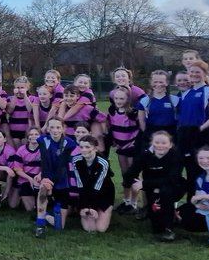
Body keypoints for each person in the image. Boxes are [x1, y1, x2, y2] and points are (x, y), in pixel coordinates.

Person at [123, 130, 185, 241]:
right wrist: (133, 183)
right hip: (152, 189)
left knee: (165, 192)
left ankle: (169, 229)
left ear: (170, 145)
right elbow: (129, 174)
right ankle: (167, 217)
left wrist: (144, 183)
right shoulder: (145, 155)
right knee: (156, 227)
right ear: (152, 143)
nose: (160, 145)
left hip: (173, 188)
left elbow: (171, 179)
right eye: (157, 142)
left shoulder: (176, 156)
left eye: (163, 143)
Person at [34, 117, 79, 238]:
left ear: (63, 128)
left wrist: (52, 181)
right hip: (48, 177)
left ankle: (49, 214)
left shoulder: (69, 143)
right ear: (47, 129)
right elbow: (45, 161)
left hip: (62, 180)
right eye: (52, 127)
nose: (55, 130)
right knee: (43, 191)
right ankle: (40, 224)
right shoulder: (42, 140)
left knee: (59, 227)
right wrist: (45, 178)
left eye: (58, 127)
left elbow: (62, 166)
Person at [107, 86, 141, 214]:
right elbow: (111, 125)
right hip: (121, 147)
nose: (119, 100)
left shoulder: (132, 112)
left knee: (133, 175)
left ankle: (134, 202)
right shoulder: (112, 110)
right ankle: (126, 201)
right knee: (125, 174)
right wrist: (114, 140)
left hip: (131, 147)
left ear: (128, 99)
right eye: (116, 98)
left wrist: (133, 142)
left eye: (122, 98)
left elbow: (140, 128)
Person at [72, 135, 115, 234]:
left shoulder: (103, 163)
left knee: (100, 229)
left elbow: (98, 187)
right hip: (86, 193)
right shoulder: (76, 161)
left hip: (104, 192)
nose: (84, 150)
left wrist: (92, 207)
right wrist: (85, 206)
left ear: (95, 149)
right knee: (90, 229)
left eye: (87, 147)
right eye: (81, 147)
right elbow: (80, 185)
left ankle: (106, 211)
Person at [9, 127, 43, 213]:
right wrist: (29, 178)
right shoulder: (21, 150)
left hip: (40, 177)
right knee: (24, 208)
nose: (33, 136)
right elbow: (17, 169)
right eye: (31, 134)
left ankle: (44, 201)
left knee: (39, 204)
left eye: (36, 134)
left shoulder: (44, 149)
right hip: (25, 177)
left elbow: (47, 166)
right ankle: (21, 197)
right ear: (27, 137)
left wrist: (39, 175)